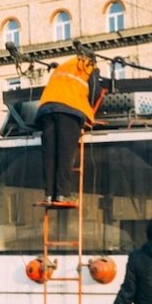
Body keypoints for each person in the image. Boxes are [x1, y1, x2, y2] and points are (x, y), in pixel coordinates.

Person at [35, 54, 97, 203]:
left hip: (46, 110)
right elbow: (95, 90)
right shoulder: (89, 66)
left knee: (50, 154)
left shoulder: (63, 66)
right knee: (66, 154)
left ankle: (49, 194)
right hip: (69, 110)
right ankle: (63, 194)